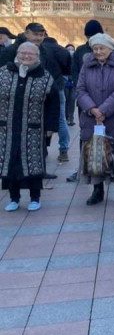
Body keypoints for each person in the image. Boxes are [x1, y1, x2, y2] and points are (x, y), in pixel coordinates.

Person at [75, 34, 114, 206]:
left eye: (102, 48)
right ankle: (97, 190)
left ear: (111, 49)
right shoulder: (87, 64)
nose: (98, 51)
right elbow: (80, 89)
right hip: (93, 118)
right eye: (95, 48)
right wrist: (93, 109)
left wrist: (103, 110)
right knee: (95, 154)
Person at [0, 42, 59, 211]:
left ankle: (35, 197)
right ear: (17, 54)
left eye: (30, 54)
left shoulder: (45, 77)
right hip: (6, 129)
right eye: (22, 53)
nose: (26, 56)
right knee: (10, 162)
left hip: (34, 129)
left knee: (33, 163)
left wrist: (50, 126)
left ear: (37, 56)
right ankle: (14, 198)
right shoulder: (4, 73)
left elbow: (54, 103)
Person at [67, 19, 104, 183]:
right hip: (85, 102)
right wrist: (83, 97)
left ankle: (107, 166)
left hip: (105, 103)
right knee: (85, 135)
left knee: (107, 136)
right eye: (89, 36)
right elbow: (75, 75)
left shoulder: (110, 49)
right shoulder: (81, 51)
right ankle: (83, 167)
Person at [43, 35, 72, 163]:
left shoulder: (39, 48)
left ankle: (43, 149)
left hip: (41, 87)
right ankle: (63, 150)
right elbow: (68, 70)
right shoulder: (63, 50)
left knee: (40, 118)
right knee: (61, 119)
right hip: (58, 86)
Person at [64, 44, 76, 125]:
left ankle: (71, 118)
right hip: (65, 82)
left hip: (73, 83)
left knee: (72, 100)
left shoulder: (76, 60)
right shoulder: (63, 59)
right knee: (65, 101)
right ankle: (65, 118)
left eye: (72, 49)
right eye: (68, 49)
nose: (71, 51)